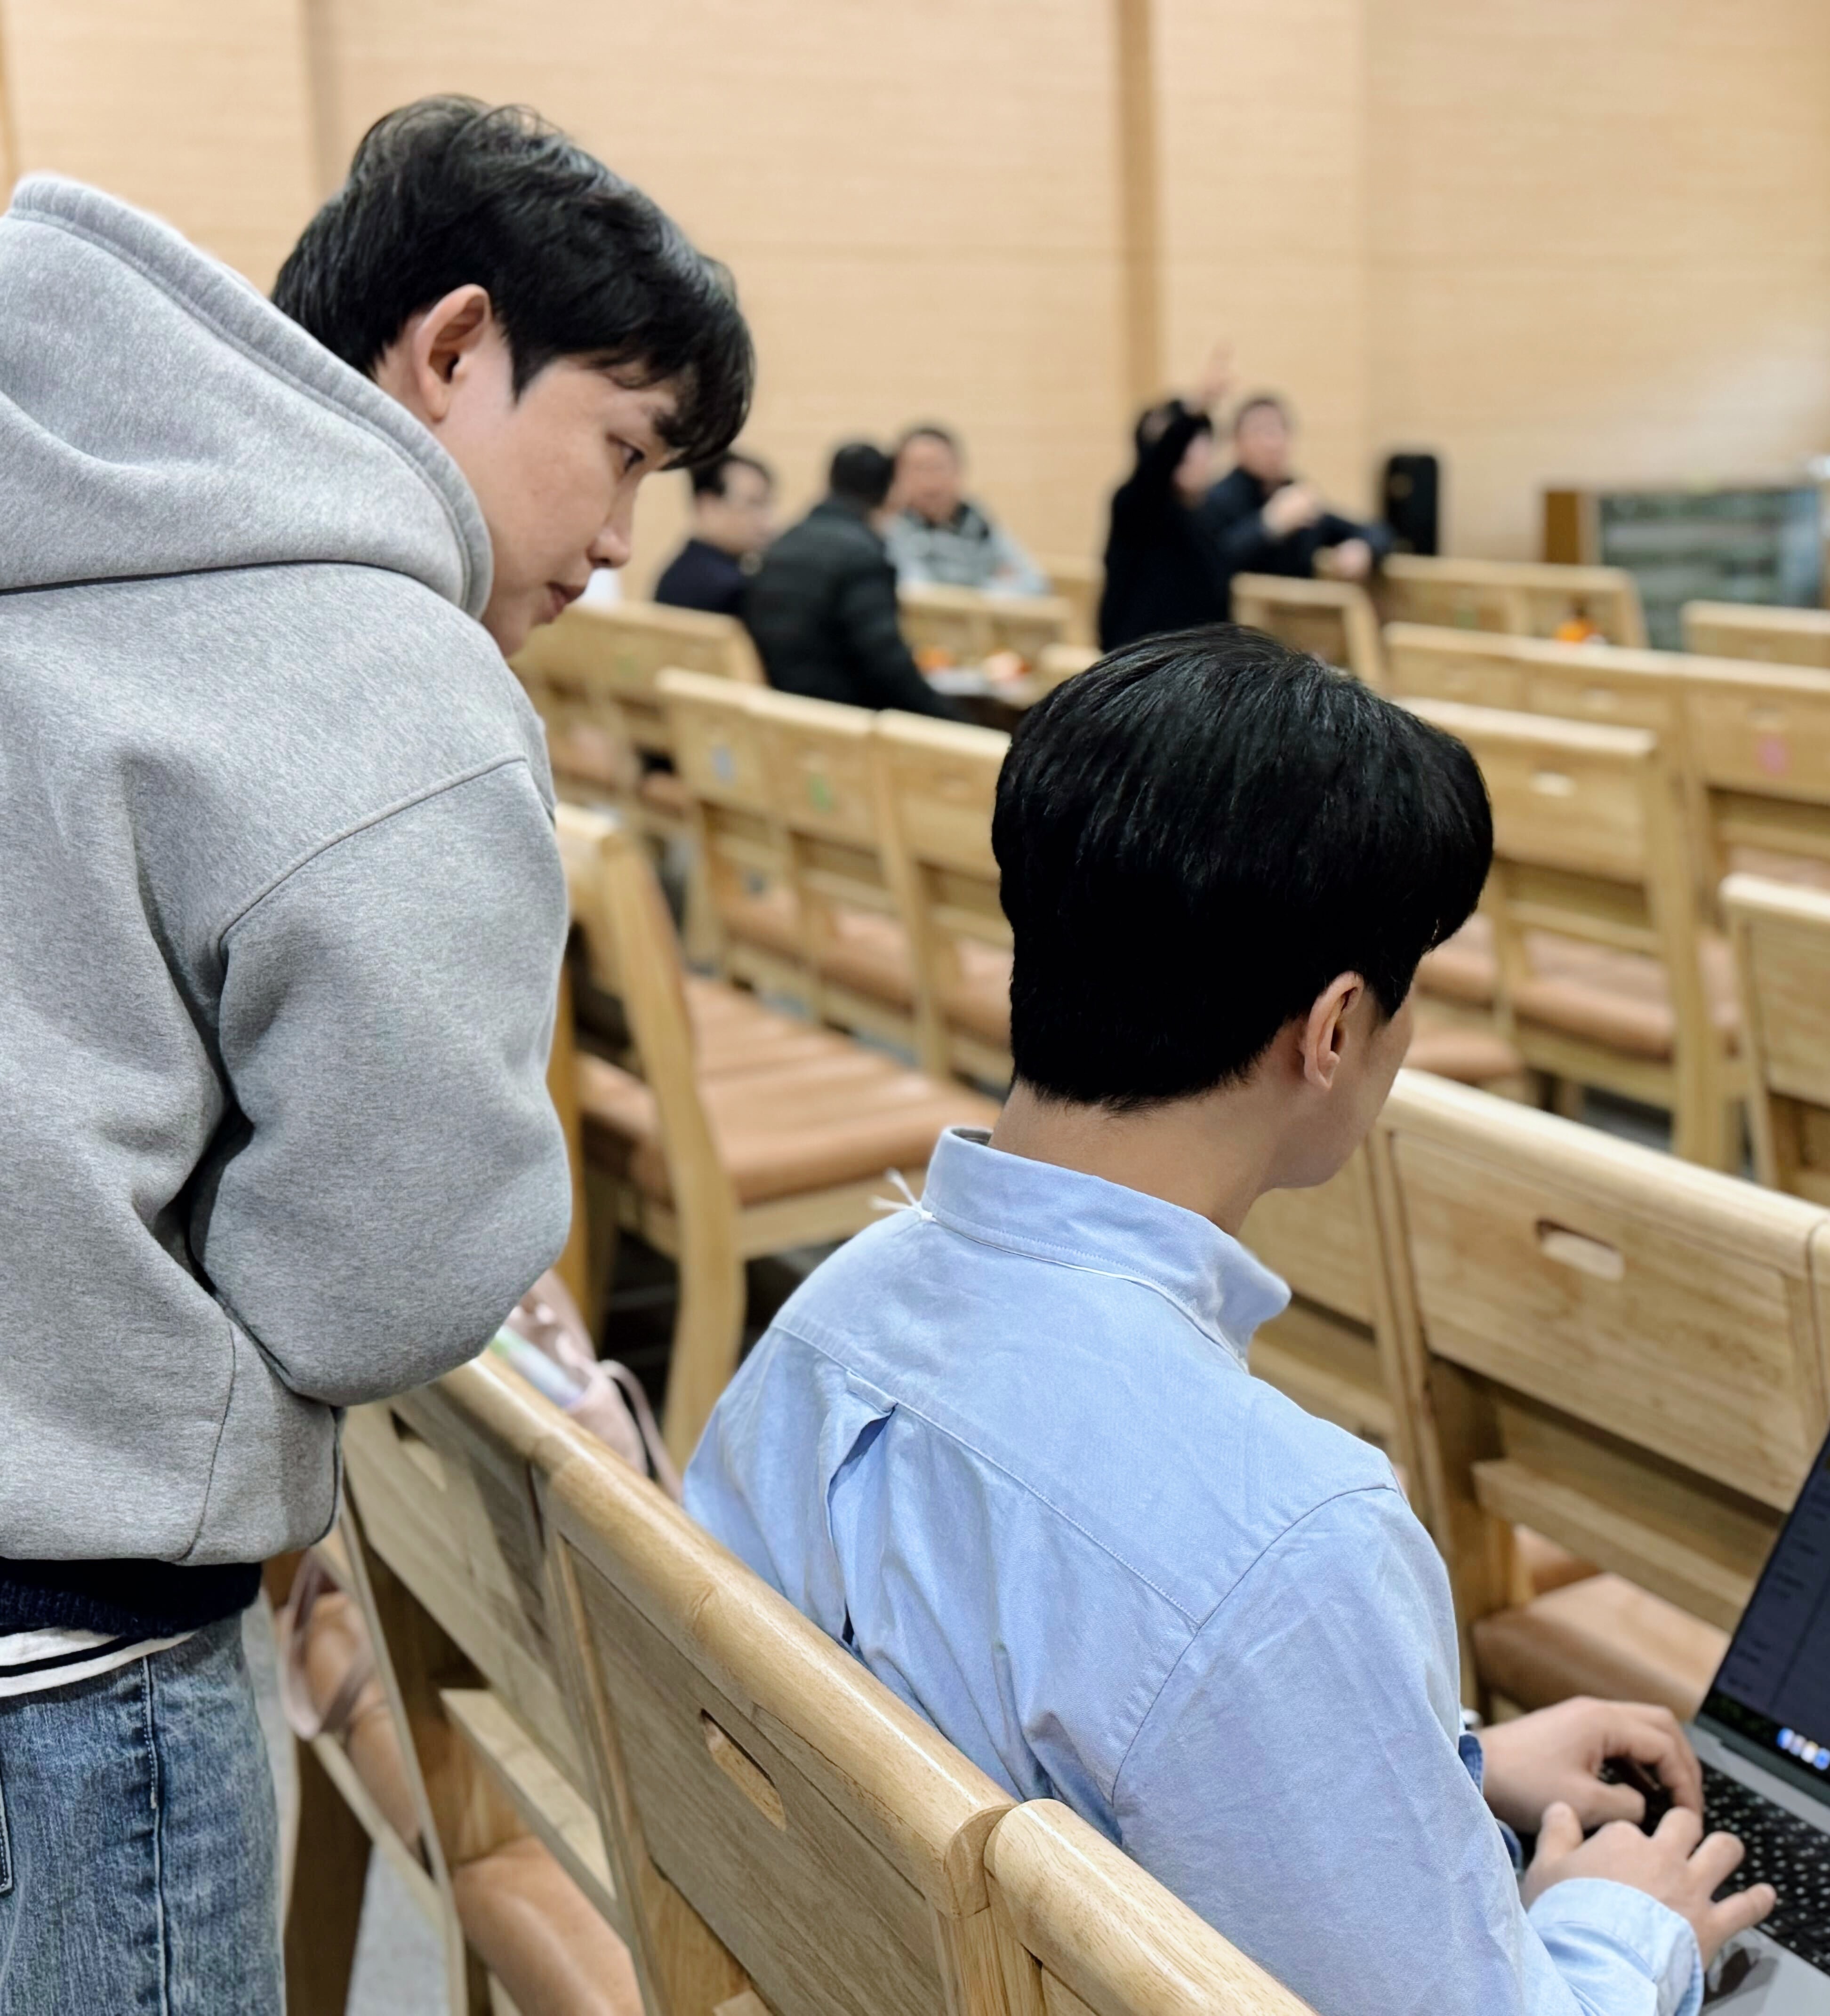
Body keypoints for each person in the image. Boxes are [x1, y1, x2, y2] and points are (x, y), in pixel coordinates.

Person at [688, 628, 1772, 2016]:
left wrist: (1431, 1764)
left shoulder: (835, 1312)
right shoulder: (1287, 1535)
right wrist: (1623, 1930)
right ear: (1330, 1031)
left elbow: (1058, 1710)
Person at [0, 96, 750, 2013]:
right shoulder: (398, 683)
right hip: (71, 1660)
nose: (616, 540)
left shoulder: (64, 530)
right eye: (623, 448)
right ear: (451, 347)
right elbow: (383, 1281)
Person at [744, 440, 965, 717]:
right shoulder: (862, 555)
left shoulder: (783, 544)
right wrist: (956, 721)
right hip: (843, 720)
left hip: (786, 712)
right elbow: (888, 666)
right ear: (887, 492)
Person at [1096, 348, 1236, 649]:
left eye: (1196, 444)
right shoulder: (1134, 505)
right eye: (1176, 445)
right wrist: (1198, 406)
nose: (1185, 455)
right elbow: (1157, 467)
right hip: (1139, 669)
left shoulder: (1208, 514)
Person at [1200, 392, 1391, 584]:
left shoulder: (1297, 497)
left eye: (1278, 431)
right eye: (1260, 432)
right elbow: (1209, 563)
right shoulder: (1214, 500)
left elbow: (1376, 531)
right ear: (1237, 442)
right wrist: (1268, 525)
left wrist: (1364, 548)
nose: (1272, 444)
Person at [882, 423, 1047, 595]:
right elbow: (916, 593)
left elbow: (1034, 584)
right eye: (918, 469)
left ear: (958, 470)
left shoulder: (978, 521)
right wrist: (991, 582)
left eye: (938, 467)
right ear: (897, 476)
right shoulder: (890, 529)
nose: (929, 481)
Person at [654, 448, 776, 616]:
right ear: (708, 507)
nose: (766, 521)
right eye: (753, 504)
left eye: (766, 505)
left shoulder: (674, 574)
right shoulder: (730, 590)